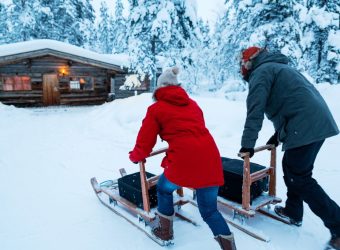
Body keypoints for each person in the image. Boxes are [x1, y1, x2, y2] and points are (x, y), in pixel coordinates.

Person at [238, 46, 340, 249]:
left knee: (299, 177)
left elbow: (255, 111)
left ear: (248, 63)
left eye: (242, 64)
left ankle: (338, 225)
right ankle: (293, 211)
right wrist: (278, 135)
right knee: (294, 169)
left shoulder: (261, 72)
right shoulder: (276, 67)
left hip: (306, 125)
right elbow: (290, 101)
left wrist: (247, 145)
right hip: (313, 121)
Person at [129, 67, 236, 250]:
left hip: (183, 162)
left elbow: (145, 141)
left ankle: (165, 231)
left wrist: (136, 156)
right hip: (210, 158)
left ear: (160, 88)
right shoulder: (192, 104)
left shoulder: (156, 109)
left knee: (163, 188)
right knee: (210, 211)